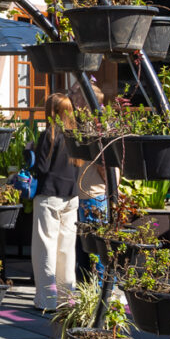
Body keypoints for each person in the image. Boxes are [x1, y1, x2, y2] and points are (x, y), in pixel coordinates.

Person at [31, 93, 80, 311]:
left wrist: (29, 151)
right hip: (71, 196)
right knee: (67, 251)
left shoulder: (49, 135)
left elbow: (41, 168)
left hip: (49, 195)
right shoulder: (76, 136)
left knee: (45, 249)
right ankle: (67, 297)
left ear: (51, 111)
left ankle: (48, 300)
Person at [69, 83, 112, 278]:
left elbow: (103, 163)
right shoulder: (93, 123)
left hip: (96, 193)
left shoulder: (96, 126)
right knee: (93, 243)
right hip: (91, 192)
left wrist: (110, 187)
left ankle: (101, 287)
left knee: (97, 244)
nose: (74, 100)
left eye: (77, 96)